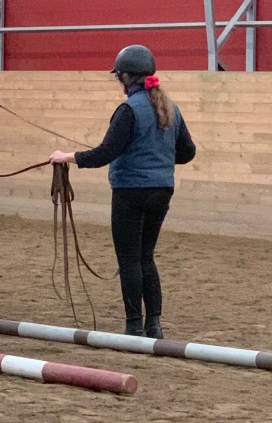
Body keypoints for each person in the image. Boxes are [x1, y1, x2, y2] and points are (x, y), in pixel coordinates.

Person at [49, 44, 196, 338]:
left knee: (129, 260)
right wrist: (159, 156)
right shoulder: (171, 108)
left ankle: (134, 325)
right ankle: (154, 325)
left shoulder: (128, 110)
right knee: (146, 257)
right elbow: (187, 152)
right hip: (162, 191)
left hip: (130, 192)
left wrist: (67, 157)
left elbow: (105, 153)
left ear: (126, 77)